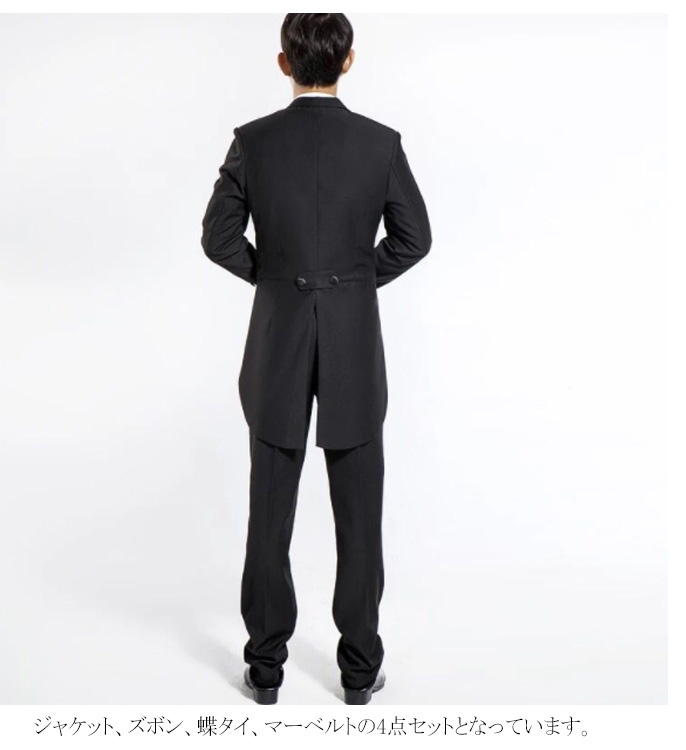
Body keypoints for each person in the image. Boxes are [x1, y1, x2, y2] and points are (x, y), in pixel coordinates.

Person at [201, 13, 432, 705]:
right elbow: (414, 238)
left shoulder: (253, 141)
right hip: (352, 339)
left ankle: (265, 669)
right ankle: (359, 672)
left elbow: (218, 238)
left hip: (278, 337)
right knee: (359, 513)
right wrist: (352, 283)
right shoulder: (380, 143)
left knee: (268, 509)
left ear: (284, 63)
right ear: (348, 60)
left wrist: (276, 279)